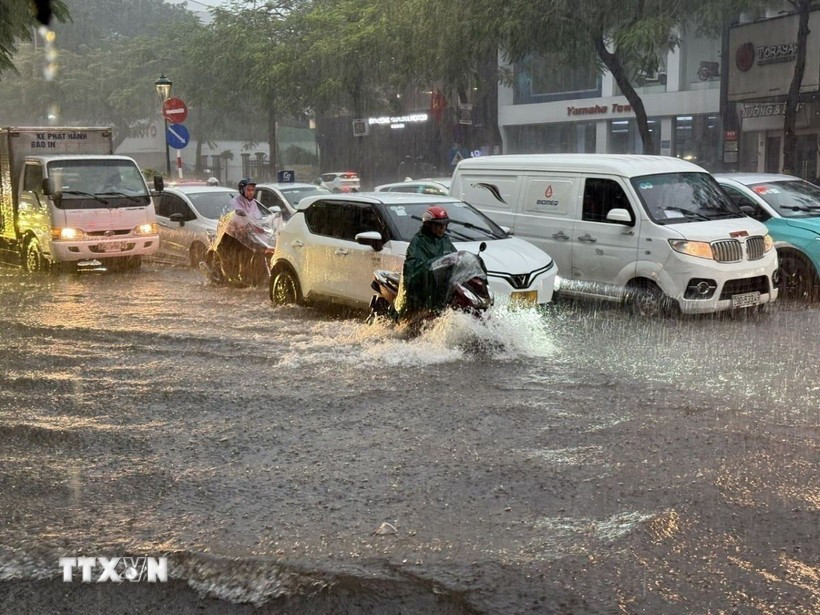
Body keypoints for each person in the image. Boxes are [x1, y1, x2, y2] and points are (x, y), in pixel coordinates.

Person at [392, 205, 456, 320]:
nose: (442, 228)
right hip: (423, 287)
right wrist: (431, 267)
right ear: (428, 224)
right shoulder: (418, 241)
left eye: (444, 225)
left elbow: (454, 256)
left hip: (442, 285)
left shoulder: (445, 240)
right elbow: (411, 267)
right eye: (438, 225)